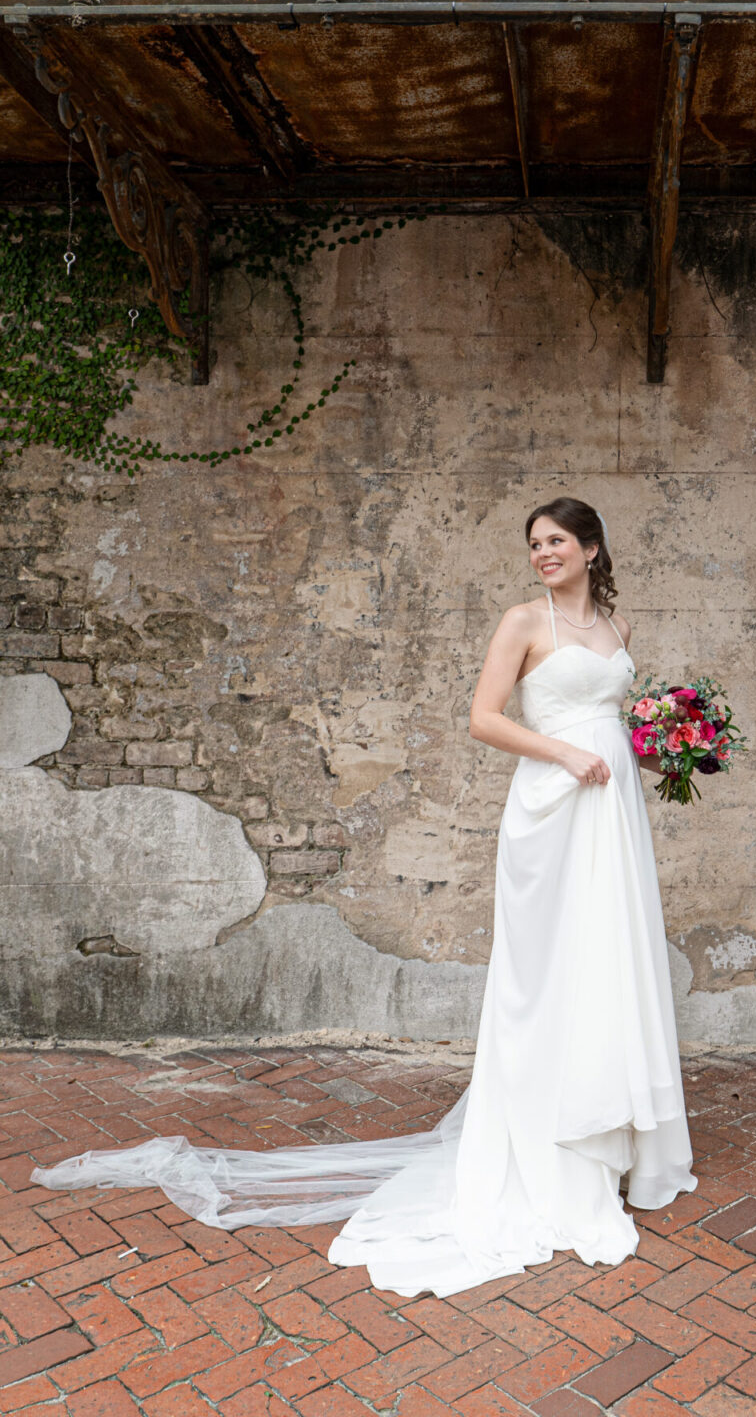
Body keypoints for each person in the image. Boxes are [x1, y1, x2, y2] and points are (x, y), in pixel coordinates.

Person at [31, 499, 697, 1298]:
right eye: (533, 544)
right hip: (551, 811)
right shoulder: (524, 622)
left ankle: (619, 1134)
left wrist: (673, 750)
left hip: (612, 813)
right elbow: (484, 719)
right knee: (551, 972)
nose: (542, 553)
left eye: (556, 541)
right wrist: (563, 752)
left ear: (592, 547)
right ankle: (550, 1144)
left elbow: (615, 724)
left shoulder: (619, 633)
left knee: (611, 960)